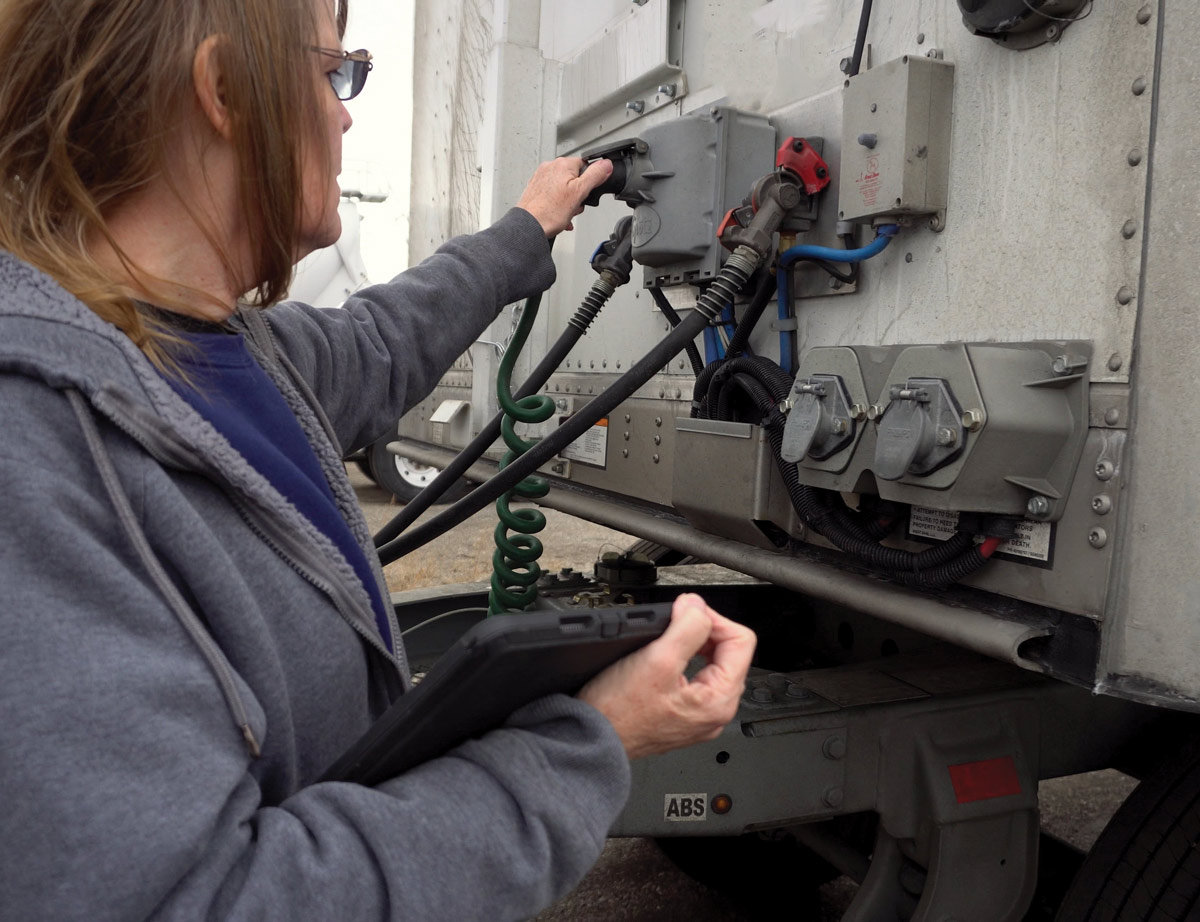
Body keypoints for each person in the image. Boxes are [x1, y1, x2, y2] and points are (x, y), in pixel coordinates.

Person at [0, 1, 757, 920]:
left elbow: (384, 337)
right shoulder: (30, 438)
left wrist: (529, 227)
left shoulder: (229, 350)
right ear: (225, 89)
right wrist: (588, 740)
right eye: (333, 72)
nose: (348, 112)